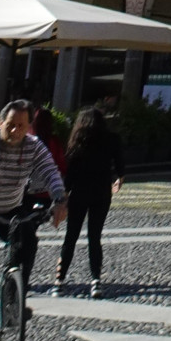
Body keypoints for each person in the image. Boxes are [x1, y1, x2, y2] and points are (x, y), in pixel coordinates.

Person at [0, 99, 66, 293]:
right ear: (0, 123)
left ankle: (15, 295)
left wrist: (59, 199)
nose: (15, 131)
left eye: (21, 126)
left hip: (11, 208)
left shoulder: (33, 145)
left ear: (29, 127)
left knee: (28, 242)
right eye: (10, 125)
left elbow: (50, 172)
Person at [55, 105, 125, 298]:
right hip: (101, 192)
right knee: (95, 237)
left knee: (71, 236)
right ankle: (96, 281)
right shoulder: (112, 139)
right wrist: (118, 179)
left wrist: (64, 195)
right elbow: (120, 165)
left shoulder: (78, 140)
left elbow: (70, 173)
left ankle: (59, 280)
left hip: (79, 192)